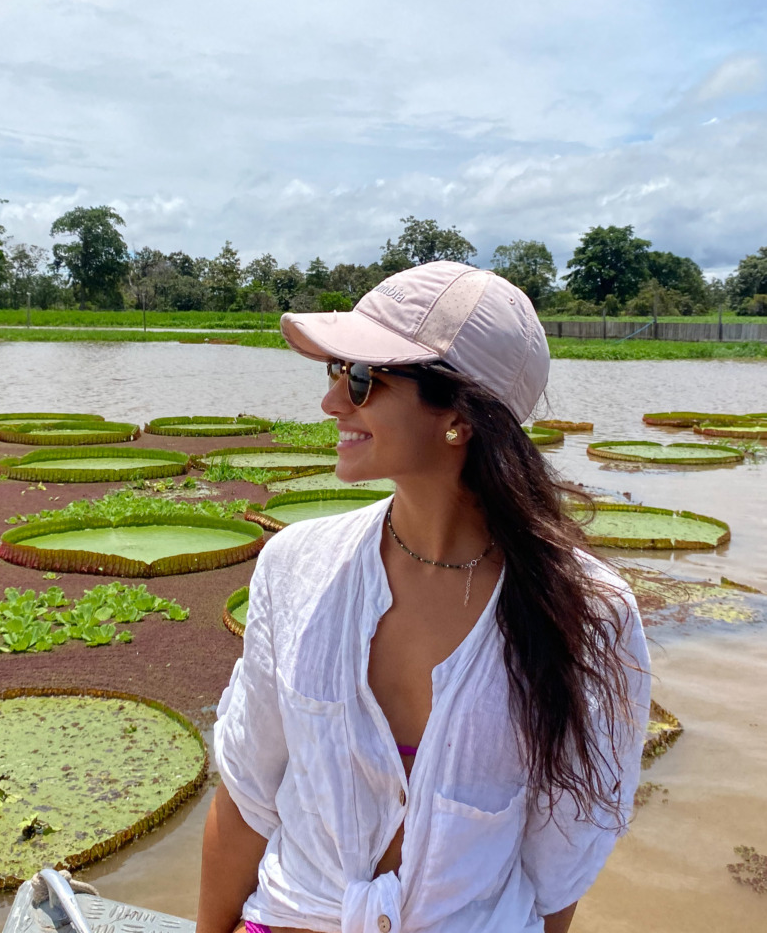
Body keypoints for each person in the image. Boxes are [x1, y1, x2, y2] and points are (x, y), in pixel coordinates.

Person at [197, 261, 651, 933]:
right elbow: (245, 799)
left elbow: (559, 868)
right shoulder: (295, 567)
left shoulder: (588, 614)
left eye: (360, 379)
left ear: (459, 417)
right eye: (334, 372)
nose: (331, 404)